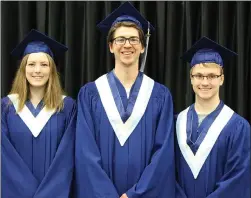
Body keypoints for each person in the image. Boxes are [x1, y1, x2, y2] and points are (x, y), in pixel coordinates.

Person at [75, 2, 175, 198]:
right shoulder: (90, 94)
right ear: (111, 46)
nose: (127, 45)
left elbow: (163, 155)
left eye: (133, 39)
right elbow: (85, 153)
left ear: (143, 46)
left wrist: (135, 195)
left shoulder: (160, 96)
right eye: (120, 39)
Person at [1, 29, 77, 198]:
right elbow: (4, 157)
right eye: (31, 64)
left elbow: (66, 158)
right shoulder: (6, 107)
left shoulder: (66, 107)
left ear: (52, 70)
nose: (37, 70)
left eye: (44, 64)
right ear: (23, 69)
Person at [175, 36, 250, 198]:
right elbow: (166, 173)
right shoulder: (175, 123)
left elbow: (238, 180)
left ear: (221, 79)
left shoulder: (238, 127)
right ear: (191, 78)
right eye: (199, 75)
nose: (205, 82)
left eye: (211, 76)